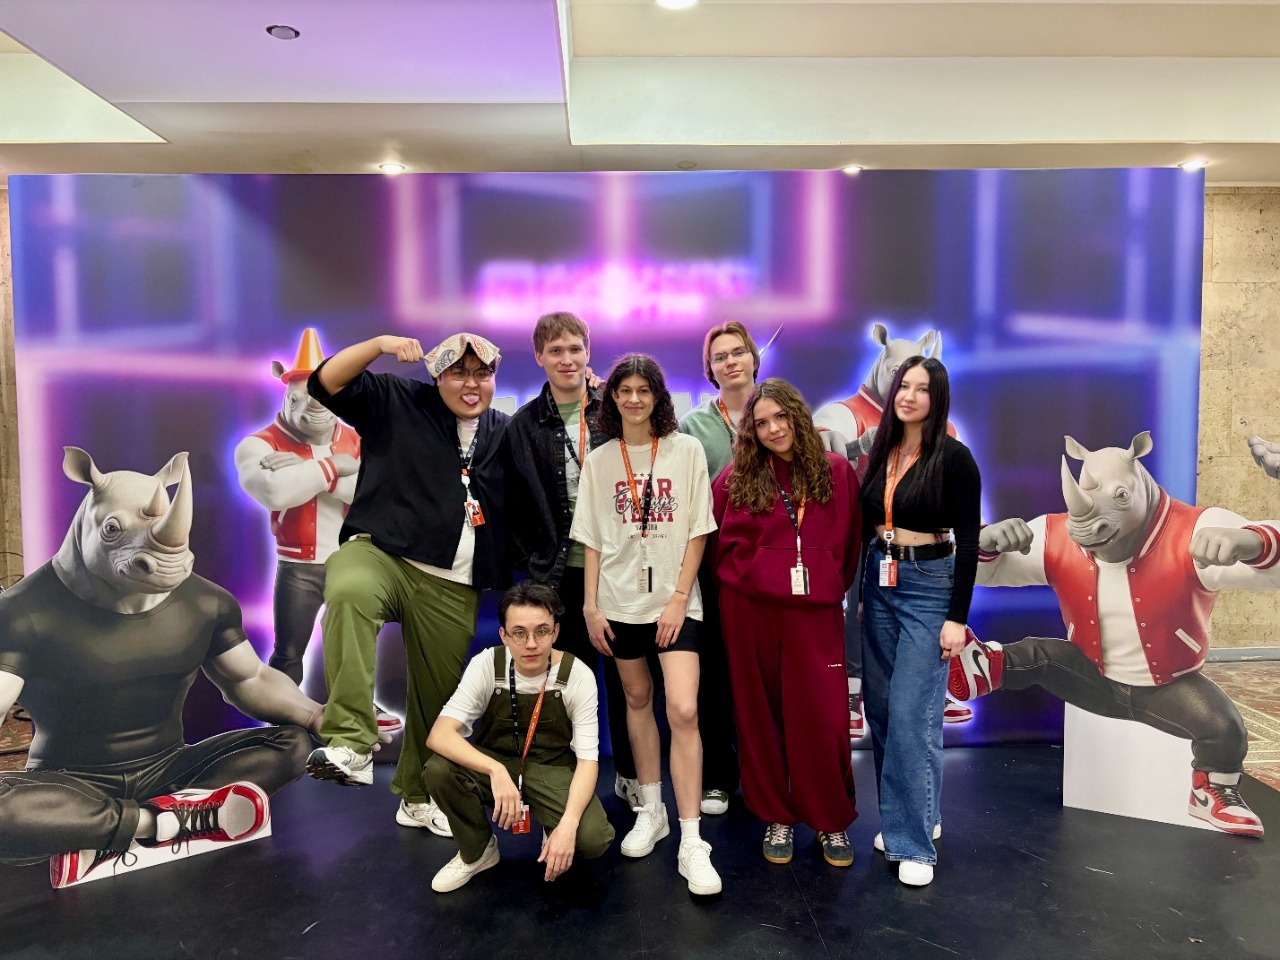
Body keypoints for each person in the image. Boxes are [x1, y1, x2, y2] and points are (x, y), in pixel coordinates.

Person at [304, 332, 509, 838]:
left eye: (481, 374)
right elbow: (324, 382)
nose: (471, 384)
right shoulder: (398, 399)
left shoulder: (505, 430)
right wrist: (377, 344)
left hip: (453, 582)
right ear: (437, 376)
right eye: (458, 373)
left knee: (438, 700)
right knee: (349, 590)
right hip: (383, 555)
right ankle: (351, 741)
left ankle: (417, 797)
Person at [570, 354, 722, 896]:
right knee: (637, 700)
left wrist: (679, 597)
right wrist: (590, 606)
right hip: (617, 602)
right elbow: (591, 539)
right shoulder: (600, 460)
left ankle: (691, 838)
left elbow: (699, 529)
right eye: (624, 390)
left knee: (682, 709)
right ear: (611, 398)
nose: (634, 399)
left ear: (658, 396)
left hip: (675, 604)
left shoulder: (685, 450)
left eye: (644, 390)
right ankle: (652, 810)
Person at [712, 379, 862, 867]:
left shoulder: (837, 473)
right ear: (750, 432)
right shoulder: (735, 479)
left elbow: (851, 546)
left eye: (781, 417)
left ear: (798, 415)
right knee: (760, 717)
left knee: (824, 718)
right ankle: (776, 814)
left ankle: (830, 818)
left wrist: (823, 582)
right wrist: (762, 574)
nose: (774, 429)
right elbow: (718, 547)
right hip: (751, 612)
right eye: (761, 423)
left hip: (814, 612)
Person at [504, 312, 639, 809]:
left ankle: (631, 775)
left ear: (588, 351)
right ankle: (560, 783)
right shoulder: (523, 424)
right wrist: (535, 562)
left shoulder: (616, 408)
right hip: (557, 577)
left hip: (619, 570)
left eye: (575, 349)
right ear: (539, 356)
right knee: (561, 686)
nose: (567, 360)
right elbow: (513, 506)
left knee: (628, 684)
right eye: (556, 351)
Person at [859, 355, 980, 887]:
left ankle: (912, 845)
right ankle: (917, 818)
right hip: (879, 578)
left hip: (929, 585)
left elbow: (970, 541)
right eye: (903, 385)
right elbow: (867, 517)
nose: (908, 396)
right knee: (885, 710)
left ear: (938, 397)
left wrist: (957, 618)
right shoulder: (882, 448)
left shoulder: (954, 457)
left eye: (921, 389)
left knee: (913, 714)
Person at [422, 581, 616, 892]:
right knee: (439, 769)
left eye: (542, 631)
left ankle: (553, 824)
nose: (531, 643)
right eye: (519, 633)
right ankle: (477, 851)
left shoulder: (577, 675)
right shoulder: (488, 664)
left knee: (593, 839)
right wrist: (495, 770)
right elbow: (439, 735)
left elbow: (588, 762)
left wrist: (567, 826)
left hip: (553, 769)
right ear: (504, 635)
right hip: (497, 763)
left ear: (555, 632)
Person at [676, 321, 758, 816]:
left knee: (764, 675)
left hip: (770, 564)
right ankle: (719, 777)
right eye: (720, 357)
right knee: (715, 676)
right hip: (713, 564)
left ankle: (768, 777)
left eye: (737, 352)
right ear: (709, 369)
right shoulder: (694, 426)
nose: (730, 362)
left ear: (753, 357)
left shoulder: (780, 412)